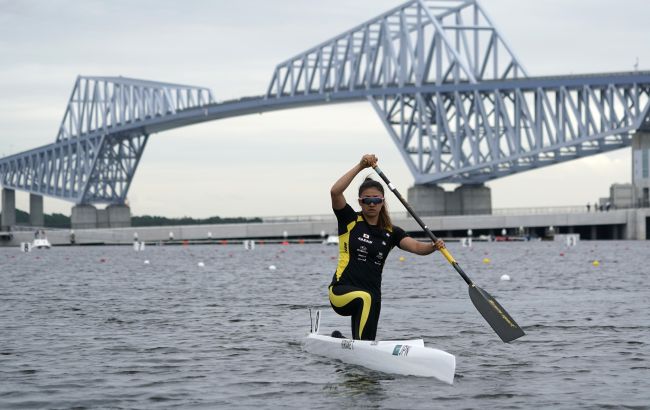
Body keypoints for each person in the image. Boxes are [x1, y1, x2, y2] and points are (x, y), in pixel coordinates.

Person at [328, 154, 445, 341]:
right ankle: (359, 348)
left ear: (383, 202)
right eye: (367, 200)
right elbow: (335, 192)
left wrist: (433, 246)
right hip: (341, 292)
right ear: (360, 202)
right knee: (364, 298)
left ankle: (343, 341)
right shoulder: (349, 220)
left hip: (372, 297)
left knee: (368, 311)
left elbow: (415, 247)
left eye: (376, 200)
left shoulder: (391, 232)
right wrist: (360, 166)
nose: (372, 204)